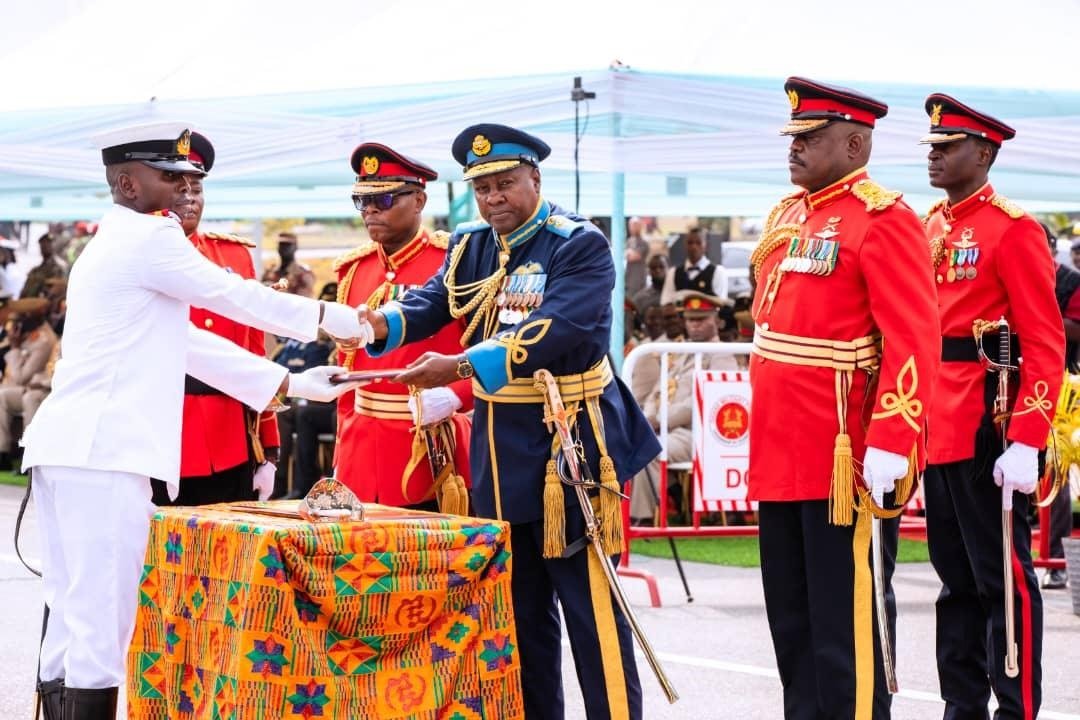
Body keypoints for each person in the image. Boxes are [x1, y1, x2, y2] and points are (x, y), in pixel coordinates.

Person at [20, 122, 371, 720]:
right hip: (104, 454)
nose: (184, 186)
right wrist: (330, 317)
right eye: (170, 175)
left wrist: (287, 382)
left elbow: (183, 341)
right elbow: (235, 297)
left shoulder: (112, 242)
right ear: (128, 184)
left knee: (73, 615)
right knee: (103, 624)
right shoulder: (150, 240)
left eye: (190, 178)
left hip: (71, 449)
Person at [359, 123, 660, 720]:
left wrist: (461, 366)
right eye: (483, 188)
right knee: (519, 616)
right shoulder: (470, 244)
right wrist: (374, 325)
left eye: (505, 184)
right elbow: (435, 302)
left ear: (535, 179)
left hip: (570, 446)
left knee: (590, 608)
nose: (494, 198)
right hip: (499, 454)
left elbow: (556, 327)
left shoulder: (577, 244)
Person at [748, 77, 940, 720]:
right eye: (793, 137)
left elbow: (913, 339)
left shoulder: (883, 219)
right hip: (780, 452)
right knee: (792, 622)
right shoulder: (787, 216)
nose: (794, 149)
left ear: (856, 143)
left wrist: (892, 438)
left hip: (842, 454)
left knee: (844, 624)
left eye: (810, 138)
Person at [921, 94, 1064, 720]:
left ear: (983, 152)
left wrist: (1029, 437)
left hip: (989, 420)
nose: (935, 155)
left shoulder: (1013, 228)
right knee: (952, 581)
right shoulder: (929, 224)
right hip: (934, 419)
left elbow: (1044, 339)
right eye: (931, 146)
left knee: (1002, 580)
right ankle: (961, 705)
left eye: (947, 146)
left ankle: (1016, 707)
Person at [332, 142, 472, 511]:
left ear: (420, 201)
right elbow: (347, 368)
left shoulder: (454, 262)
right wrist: (343, 445)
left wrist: (457, 396)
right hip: (360, 455)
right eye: (363, 201)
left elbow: (486, 347)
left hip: (429, 446)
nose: (372, 210)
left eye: (387, 199)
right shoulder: (354, 269)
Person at [149, 131, 281, 507]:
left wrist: (267, 450)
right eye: (179, 187)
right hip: (159, 440)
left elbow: (255, 356)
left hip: (229, 444)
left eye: (197, 188)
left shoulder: (233, 256)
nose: (190, 198)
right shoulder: (133, 255)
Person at [630, 290, 737, 524]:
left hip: (698, 433)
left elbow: (706, 401)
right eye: (690, 320)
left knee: (650, 450)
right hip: (667, 428)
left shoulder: (721, 355)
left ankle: (644, 519)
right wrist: (649, 417)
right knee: (633, 443)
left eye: (701, 320)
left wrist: (659, 420)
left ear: (716, 321)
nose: (695, 326)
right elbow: (656, 390)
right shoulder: (680, 353)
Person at [1042, 223, 1079, 590]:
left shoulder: (1070, 280)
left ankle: (1058, 563)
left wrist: (1033, 314)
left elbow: (1076, 327)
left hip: (1065, 388)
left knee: (1058, 474)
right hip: (1014, 384)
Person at [0, 297, 58, 470]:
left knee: (29, 399)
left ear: (35, 316)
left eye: (22, 317)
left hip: (40, 389)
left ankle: (30, 455)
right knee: (2, 396)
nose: (17, 322)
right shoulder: (28, 336)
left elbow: (21, 377)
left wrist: (16, 347)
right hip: (26, 388)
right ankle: (2, 453)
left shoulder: (44, 340)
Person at [660, 227, 727, 304]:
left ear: (706, 246)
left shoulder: (718, 272)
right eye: (690, 243)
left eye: (698, 243)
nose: (694, 247)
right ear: (685, 245)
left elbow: (720, 303)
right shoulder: (673, 273)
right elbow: (666, 302)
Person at [261, 231, 315, 297]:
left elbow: (304, 302)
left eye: (288, 245)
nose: (284, 248)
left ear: (295, 247)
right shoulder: (268, 273)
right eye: (281, 245)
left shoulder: (303, 275)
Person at [20, 232, 68, 299]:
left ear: (53, 246)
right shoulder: (36, 269)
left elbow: (58, 289)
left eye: (47, 244)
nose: (44, 248)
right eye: (42, 245)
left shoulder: (59, 266)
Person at [624, 216, 649, 296]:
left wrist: (628, 253)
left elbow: (634, 257)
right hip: (627, 280)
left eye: (635, 225)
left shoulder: (643, 242)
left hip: (638, 280)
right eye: (631, 225)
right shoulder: (628, 242)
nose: (633, 227)